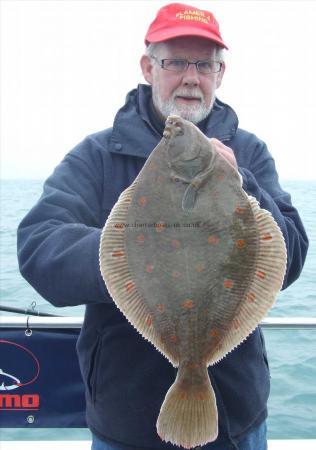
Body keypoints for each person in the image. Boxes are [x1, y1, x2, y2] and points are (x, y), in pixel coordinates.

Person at [17, 3, 309, 450]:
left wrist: (240, 182)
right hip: (125, 423)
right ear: (148, 67)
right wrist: (135, 254)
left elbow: (291, 255)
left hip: (238, 421)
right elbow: (39, 246)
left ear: (220, 73)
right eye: (175, 61)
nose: (191, 77)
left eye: (205, 64)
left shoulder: (248, 153)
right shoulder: (97, 156)